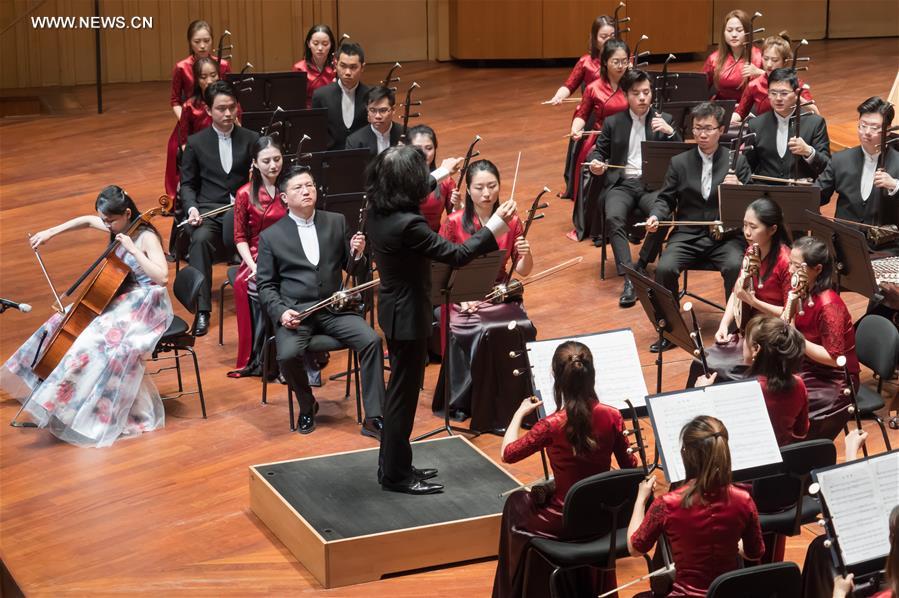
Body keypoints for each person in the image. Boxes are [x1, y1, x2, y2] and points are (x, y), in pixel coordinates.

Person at [366, 145, 518, 495]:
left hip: (392, 309)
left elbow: (406, 190)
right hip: (409, 316)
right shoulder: (409, 224)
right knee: (403, 398)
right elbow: (459, 254)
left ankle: (394, 464)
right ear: (406, 184)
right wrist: (496, 224)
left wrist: (440, 172)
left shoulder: (377, 207)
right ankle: (395, 475)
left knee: (398, 394)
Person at [0, 187, 173, 447]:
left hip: (147, 303)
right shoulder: (118, 226)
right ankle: (45, 388)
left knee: (95, 341)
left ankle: (79, 407)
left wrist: (132, 249)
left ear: (127, 213)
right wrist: (50, 233)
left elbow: (162, 277)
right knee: (63, 320)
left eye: (110, 221)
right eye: (105, 221)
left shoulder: (146, 236)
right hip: (124, 297)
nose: (106, 226)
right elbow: (85, 221)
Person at [492, 341, 637, 598]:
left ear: (558, 380)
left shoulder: (550, 425)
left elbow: (508, 453)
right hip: (604, 518)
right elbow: (631, 470)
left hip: (564, 521)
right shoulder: (612, 416)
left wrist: (518, 413)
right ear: (591, 375)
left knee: (515, 504)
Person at [255, 165, 385, 437]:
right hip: (297, 314)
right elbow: (266, 285)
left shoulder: (335, 221)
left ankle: (374, 417)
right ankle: (306, 404)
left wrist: (359, 255)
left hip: (335, 309)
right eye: (298, 188)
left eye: (310, 185)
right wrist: (281, 313)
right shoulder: (271, 236)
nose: (306, 191)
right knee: (288, 355)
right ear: (284, 198)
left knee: (371, 341)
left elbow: (354, 270)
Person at [434, 159, 535, 430]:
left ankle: (514, 400)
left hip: (496, 293)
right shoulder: (454, 222)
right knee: (479, 330)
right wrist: (463, 296)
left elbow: (523, 270)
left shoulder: (512, 221)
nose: (486, 193)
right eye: (479, 188)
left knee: (522, 325)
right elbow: (444, 268)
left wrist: (525, 253)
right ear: (468, 189)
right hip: (461, 294)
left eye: (492, 186)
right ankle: (468, 400)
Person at [646, 102, 752, 350]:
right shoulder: (679, 162)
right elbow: (665, 199)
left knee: (736, 266)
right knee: (664, 269)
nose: (702, 134)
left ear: (721, 130)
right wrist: (655, 215)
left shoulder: (737, 162)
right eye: (697, 128)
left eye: (708, 128)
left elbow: (751, 205)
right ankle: (670, 332)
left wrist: (737, 191)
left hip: (726, 238)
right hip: (687, 235)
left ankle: (734, 332)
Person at [628, 416, 765, 597]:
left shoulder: (667, 503)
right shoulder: (744, 499)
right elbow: (754, 553)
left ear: (686, 454)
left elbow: (635, 548)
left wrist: (640, 500)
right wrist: (730, 543)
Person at [585, 68, 680, 306]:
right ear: (626, 95)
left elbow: (681, 158)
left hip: (653, 185)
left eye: (646, 92)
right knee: (614, 215)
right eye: (636, 93)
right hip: (622, 184)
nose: (642, 98)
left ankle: (639, 267)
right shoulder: (613, 122)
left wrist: (671, 134)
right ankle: (630, 276)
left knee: (663, 215)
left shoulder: (664, 121)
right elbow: (599, 151)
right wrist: (596, 161)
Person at [180, 80, 260, 336]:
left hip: (243, 209)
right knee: (200, 240)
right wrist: (192, 208)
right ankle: (203, 310)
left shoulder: (252, 139)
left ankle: (259, 297)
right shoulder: (196, 142)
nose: (228, 114)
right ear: (208, 110)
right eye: (221, 109)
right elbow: (188, 185)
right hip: (209, 210)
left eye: (232, 108)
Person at [687, 198, 793, 384]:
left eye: (753, 227)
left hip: (773, 338)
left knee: (726, 374)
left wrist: (753, 302)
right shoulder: (752, 251)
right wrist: (724, 324)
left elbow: (789, 317)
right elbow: (738, 291)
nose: (746, 232)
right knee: (701, 364)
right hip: (749, 331)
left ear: (773, 230)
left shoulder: (786, 262)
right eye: (744, 225)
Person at [786, 236, 860, 441]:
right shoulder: (801, 288)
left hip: (835, 379)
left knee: (791, 407)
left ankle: (800, 461)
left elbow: (834, 358)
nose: (790, 270)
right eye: (790, 263)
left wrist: (794, 335)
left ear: (817, 269)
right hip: (807, 365)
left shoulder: (829, 305)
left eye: (796, 265)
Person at [698, 315, 808, 447]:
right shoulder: (799, 384)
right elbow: (801, 431)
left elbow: (711, 432)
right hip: (783, 460)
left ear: (756, 349)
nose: (742, 342)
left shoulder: (743, 390)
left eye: (745, 339)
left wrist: (701, 393)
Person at [228, 136, 287, 378]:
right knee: (254, 285)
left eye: (277, 159)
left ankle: (293, 358)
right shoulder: (244, 193)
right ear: (255, 163)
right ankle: (263, 357)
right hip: (256, 257)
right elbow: (240, 237)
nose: (273, 165)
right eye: (266, 161)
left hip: (288, 254)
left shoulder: (291, 187)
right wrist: (252, 264)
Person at [547, 15, 616, 200]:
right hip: (590, 115)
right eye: (603, 37)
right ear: (594, 38)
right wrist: (559, 96)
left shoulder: (622, 60)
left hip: (615, 113)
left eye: (612, 36)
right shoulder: (586, 61)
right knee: (582, 153)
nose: (608, 40)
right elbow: (569, 85)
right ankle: (577, 189)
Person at [569, 39, 631, 241]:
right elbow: (582, 114)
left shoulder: (633, 85)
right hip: (600, 141)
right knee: (592, 167)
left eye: (624, 61)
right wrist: (575, 130)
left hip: (630, 141)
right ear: (605, 62)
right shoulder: (594, 88)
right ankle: (592, 226)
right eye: (616, 62)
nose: (621, 66)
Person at [165, 20, 231, 200]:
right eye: (197, 41)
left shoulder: (223, 65)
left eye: (207, 40)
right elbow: (175, 100)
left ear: (212, 40)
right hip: (190, 118)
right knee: (176, 149)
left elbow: (229, 95)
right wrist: (186, 119)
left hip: (218, 119)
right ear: (189, 42)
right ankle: (182, 192)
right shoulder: (181, 67)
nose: (202, 46)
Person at [818, 96, 899, 227]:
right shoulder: (840, 159)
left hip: (885, 245)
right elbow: (818, 195)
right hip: (844, 241)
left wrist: (895, 185)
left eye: (874, 127)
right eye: (863, 125)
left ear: (888, 129)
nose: (866, 132)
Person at [745, 67, 831, 182]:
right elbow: (747, 166)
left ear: (796, 94)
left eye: (784, 93)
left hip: (800, 193)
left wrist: (808, 151)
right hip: (765, 194)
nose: (778, 98)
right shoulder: (755, 124)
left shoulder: (815, 123)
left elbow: (827, 165)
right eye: (773, 93)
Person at [731, 33, 817, 125]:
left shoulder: (796, 84)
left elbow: (816, 114)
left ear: (785, 61)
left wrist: (797, 97)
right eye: (765, 58)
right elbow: (740, 112)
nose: (768, 64)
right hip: (764, 133)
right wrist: (730, 120)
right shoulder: (754, 85)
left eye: (774, 60)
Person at [311, 41, 369, 150]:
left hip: (362, 156)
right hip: (331, 158)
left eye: (353, 67)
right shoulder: (321, 95)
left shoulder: (370, 96)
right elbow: (316, 133)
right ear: (335, 64)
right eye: (343, 66)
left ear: (362, 67)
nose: (347, 72)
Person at [407, 124, 461, 232]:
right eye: (417, 149)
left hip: (433, 240)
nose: (424, 154)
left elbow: (455, 217)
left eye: (429, 148)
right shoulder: (398, 177)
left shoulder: (446, 181)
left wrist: (458, 206)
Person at [703, 9, 763, 102]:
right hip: (722, 108)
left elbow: (777, 83)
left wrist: (760, 73)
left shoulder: (759, 56)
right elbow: (700, 88)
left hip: (752, 109)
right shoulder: (714, 58)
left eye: (739, 30)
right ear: (724, 33)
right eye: (729, 30)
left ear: (748, 32)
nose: (734, 35)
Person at [344, 86, 402, 155]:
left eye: (383, 110)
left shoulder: (407, 134)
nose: (378, 116)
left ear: (393, 110)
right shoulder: (354, 141)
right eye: (372, 110)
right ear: (367, 110)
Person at [292, 24, 337, 108]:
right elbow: (296, 99)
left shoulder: (338, 66)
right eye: (315, 43)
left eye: (325, 44)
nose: (320, 48)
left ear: (331, 45)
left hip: (333, 110)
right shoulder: (299, 68)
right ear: (309, 44)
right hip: (309, 113)